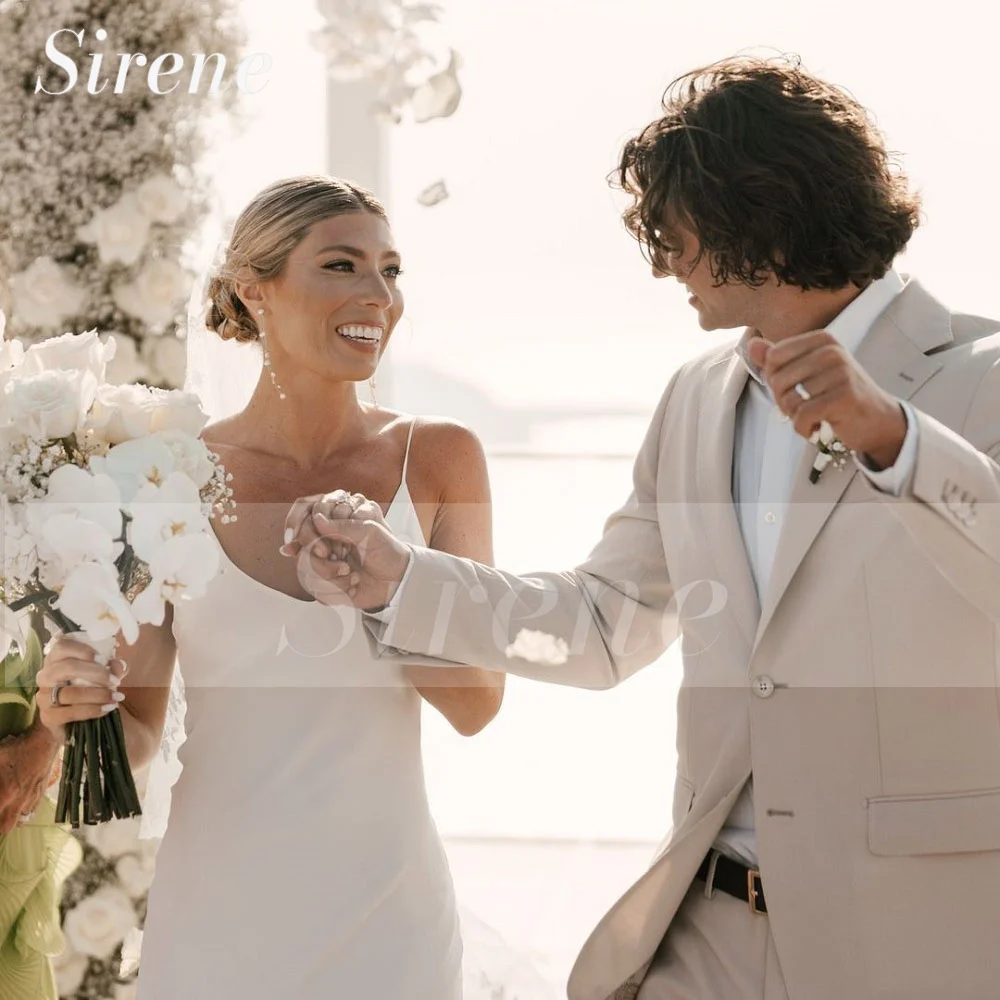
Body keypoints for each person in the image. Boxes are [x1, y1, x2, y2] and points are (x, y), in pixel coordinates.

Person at [288, 58, 1000, 1000]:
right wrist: (403, 579)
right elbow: (604, 623)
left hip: (916, 936)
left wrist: (897, 441)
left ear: (756, 209)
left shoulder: (980, 373)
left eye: (672, 228)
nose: (661, 260)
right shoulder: (698, 399)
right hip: (703, 928)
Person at [34, 175, 505, 999]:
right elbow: (140, 732)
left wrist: (381, 588)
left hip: (388, 913)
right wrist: (78, 712)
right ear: (256, 292)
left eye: (390, 270)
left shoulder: (438, 459)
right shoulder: (167, 472)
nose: (378, 295)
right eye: (342, 265)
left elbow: (476, 702)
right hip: (217, 912)